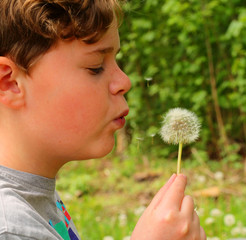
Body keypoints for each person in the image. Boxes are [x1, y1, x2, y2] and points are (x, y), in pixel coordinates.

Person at [0, 1, 206, 239]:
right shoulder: (12, 227)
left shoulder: (34, 198)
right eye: (96, 67)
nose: (124, 82)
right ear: (10, 83)